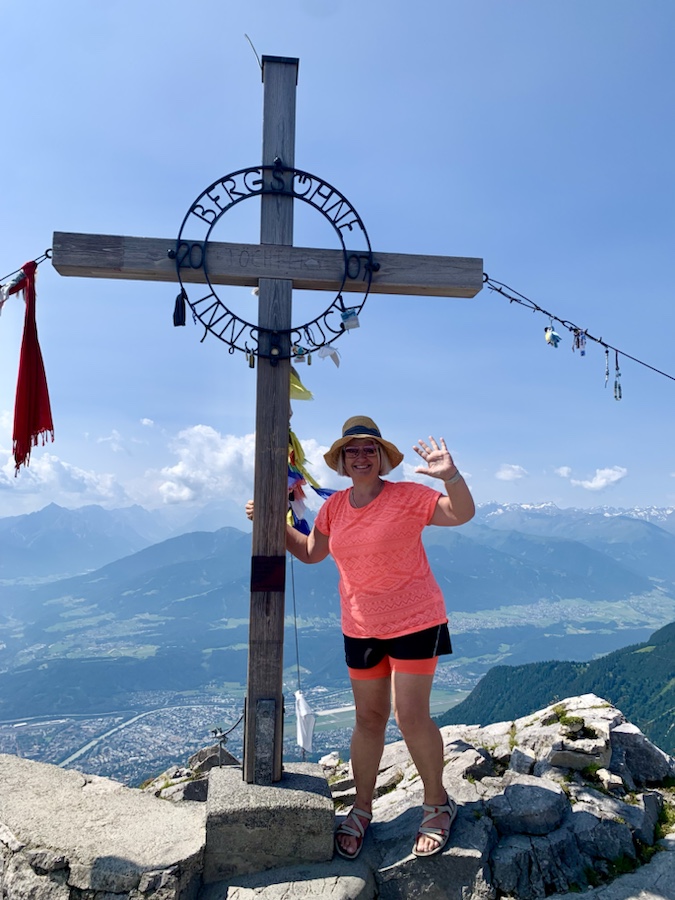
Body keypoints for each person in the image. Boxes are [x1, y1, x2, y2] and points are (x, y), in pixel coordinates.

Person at [247, 415, 475, 859]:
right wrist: (274, 522)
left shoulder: (408, 497)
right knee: (369, 720)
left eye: (369, 449)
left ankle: (437, 804)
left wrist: (452, 476)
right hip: (361, 625)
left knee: (410, 716)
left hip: (416, 621)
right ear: (342, 462)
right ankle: (363, 807)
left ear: (383, 458)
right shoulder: (333, 509)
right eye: (352, 451)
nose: (361, 456)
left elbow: (461, 513)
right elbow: (312, 553)